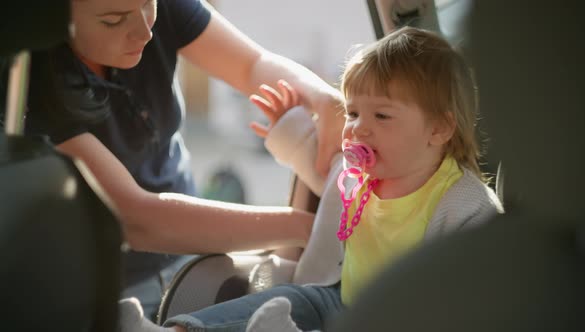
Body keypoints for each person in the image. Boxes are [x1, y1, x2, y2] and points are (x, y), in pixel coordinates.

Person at [118, 26, 503, 332]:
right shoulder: (357, 175)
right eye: (352, 113)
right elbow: (314, 161)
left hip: (400, 320)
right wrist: (288, 125)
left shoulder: (462, 201)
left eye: (381, 116)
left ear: (438, 129)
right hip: (337, 297)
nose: (358, 130)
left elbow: (479, 283)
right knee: (284, 298)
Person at [20, 0, 344, 320]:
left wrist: (324, 98)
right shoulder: (26, 86)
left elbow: (252, 65)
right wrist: (308, 226)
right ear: (53, 18)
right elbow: (138, 218)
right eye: (113, 20)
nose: (145, 31)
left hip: (193, 251)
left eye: (149, 4)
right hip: (107, 286)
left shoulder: (160, 9)